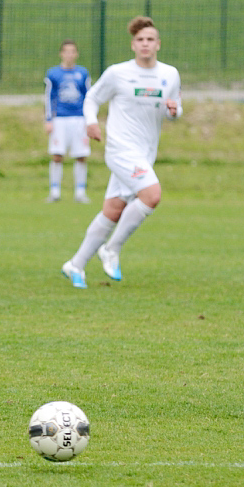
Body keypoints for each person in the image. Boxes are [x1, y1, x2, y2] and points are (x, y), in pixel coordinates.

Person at [61, 16, 182, 288]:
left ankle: (76, 264)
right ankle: (112, 248)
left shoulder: (170, 74)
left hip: (145, 153)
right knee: (152, 195)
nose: (145, 44)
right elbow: (92, 98)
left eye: (150, 40)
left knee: (113, 210)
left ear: (158, 44)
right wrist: (91, 122)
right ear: (133, 45)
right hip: (120, 149)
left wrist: (175, 111)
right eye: (140, 40)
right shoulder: (118, 73)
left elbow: (174, 108)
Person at [44, 40, 91, 203]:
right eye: (66, 51)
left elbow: (89, 97)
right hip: (60, 119)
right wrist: (49, 119)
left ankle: (80, 191)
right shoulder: (53, 73)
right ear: (61, 54)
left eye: (73, 51)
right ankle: (55, 191)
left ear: (76, 54)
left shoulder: (83, 73)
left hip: (79, 119)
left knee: (81, 155)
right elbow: (49, 97)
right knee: (57, 155)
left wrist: (89, 119)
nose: (70, 55)